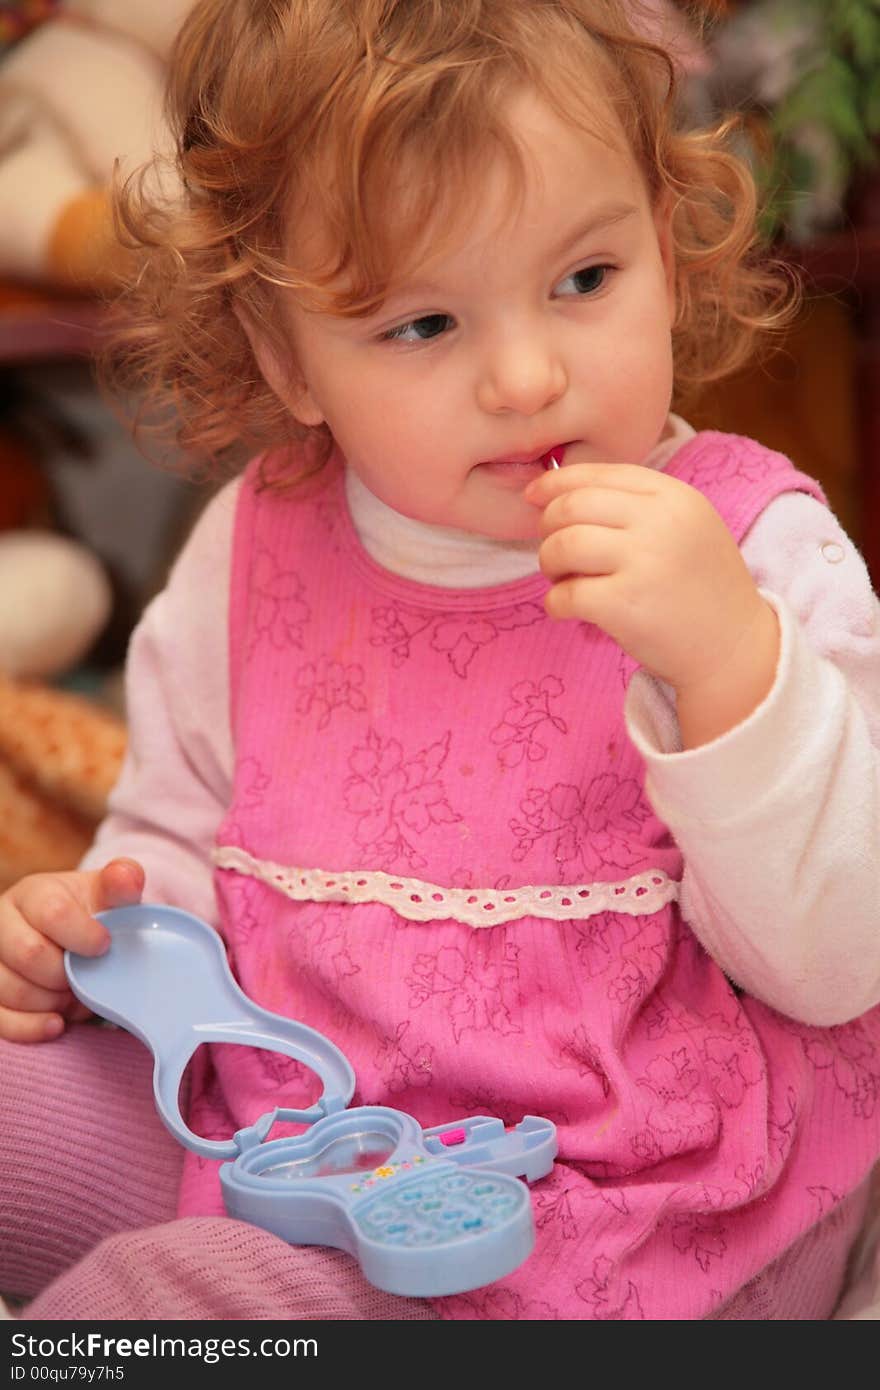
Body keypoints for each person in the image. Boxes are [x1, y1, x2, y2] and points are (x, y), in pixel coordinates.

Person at [1, 0, 879, 1322]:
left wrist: (731, 670)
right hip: (307, 1130)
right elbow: (184, 830)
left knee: (165, 1304)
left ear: (665, 235)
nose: (529, 377)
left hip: (628, 1200)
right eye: (425, 325)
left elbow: (837, 962)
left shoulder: (752, 551)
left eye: (585, 280)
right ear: (285, 357)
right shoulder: (255, 540)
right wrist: (110, 932)